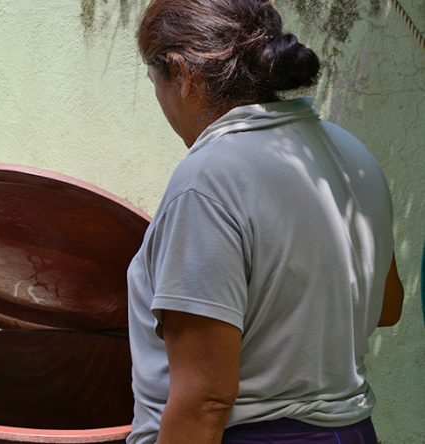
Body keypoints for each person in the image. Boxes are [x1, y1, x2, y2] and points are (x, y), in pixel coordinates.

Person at [126, 1, 404, 443]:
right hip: (352, 431)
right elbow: (386, 306)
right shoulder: (352, 153)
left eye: (154, 82)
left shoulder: (207, 179)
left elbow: (206, 399)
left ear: (181, 73)